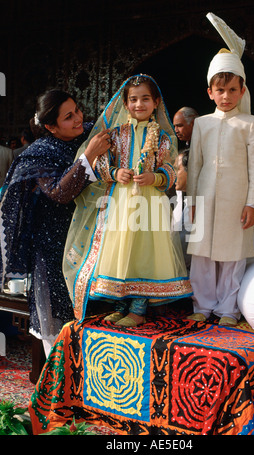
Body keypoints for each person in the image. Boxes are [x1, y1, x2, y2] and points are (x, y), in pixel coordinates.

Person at [63, 74, 192, 327]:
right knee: (120, 253)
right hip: (120, 202)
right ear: (125, 104)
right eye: (133, 99)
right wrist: (114, 173)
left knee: (144, 253)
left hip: (149, 204)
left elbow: (170, 171)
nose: (138, 104)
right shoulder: (115, 134)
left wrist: (154, 178)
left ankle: (138, 308)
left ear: (156, 102)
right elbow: (102, 164)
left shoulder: (164, 137)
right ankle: (121, 304)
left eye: (145, 99)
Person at [0, 89, 110, 356]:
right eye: (68, 117)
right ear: (50, 126)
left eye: (78, 111)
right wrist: (89, 156)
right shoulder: (39, 153)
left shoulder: (85, 136)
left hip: (88, 243)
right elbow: (60, 192)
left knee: (93, 321)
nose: (78, 119)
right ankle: (58, 390)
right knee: (59, 327)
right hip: (53, 250)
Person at [186, 13, 254, 326]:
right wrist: (191, 202)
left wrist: (252, 203)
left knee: (233, 255)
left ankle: (228, 309)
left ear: (242, 91)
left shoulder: (249, 124)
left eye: (233, 90)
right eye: (221, 90)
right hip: (205, 198)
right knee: (203, 255)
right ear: (210, 92)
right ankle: (202, 306)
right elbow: (195, 166)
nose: (227, 96)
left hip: (236, 201)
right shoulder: (202, 124)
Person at [172, 149, 192, 270]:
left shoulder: (200, 205)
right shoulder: (184, 200)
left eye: (177, 169)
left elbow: (182, 250)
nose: (173, 174)